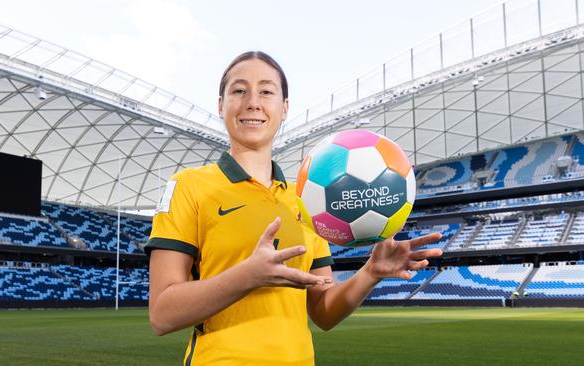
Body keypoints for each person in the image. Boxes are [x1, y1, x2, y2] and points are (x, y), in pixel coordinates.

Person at [146, 51, 443, 366]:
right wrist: (249, 275)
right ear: (221, 105)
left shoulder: (309, 200)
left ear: (284, 108)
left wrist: (370, 273)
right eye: (238, 90)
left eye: (266, 91)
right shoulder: (189, 186)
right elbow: (162, 315)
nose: (252, 102)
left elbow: (323, 311)